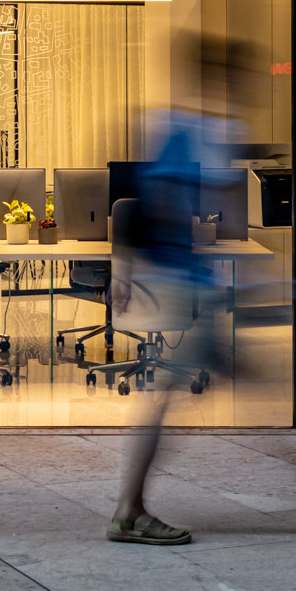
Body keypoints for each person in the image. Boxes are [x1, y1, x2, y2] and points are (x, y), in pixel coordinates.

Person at [107, 33, 253, 546]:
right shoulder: (198, 130)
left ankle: (130, 508)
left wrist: (125, 269)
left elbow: (147, 207)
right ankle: (129, 512)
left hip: (183, 278)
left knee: (187, 390)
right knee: (167, 399)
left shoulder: (182, 126)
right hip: (178, 280)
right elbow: (165, 205)